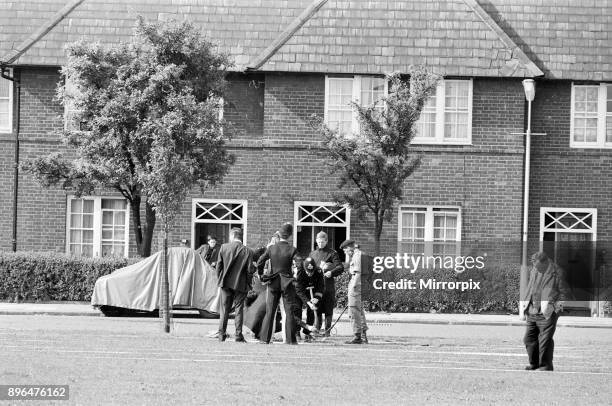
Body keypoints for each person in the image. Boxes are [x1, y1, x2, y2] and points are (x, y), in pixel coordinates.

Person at [520, 251, 567, 371]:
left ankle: (545, 365)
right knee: (529, 339)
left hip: (548, 312)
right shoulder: (535, 270)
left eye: (538, 266)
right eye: (534, 265)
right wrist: (525, 306)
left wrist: (556, 308)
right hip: (533, 310)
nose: (535, 268)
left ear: (545, 262)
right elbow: (530, 288)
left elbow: (564, 293)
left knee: (544, 340)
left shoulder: (558, 272)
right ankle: (534, 363)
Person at [256, 223, 299, 344]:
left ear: (279, 234)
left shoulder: (271, 248)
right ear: (290, 235)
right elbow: (300, 266)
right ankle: (290, 340)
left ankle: (265, 338)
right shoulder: (292, 249)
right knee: (289, 310)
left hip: (273, 281)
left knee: (270, 311)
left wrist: (262, 276)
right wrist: (295, 278)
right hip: (287, 282)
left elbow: (260, 262)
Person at [215, 228, 254, 342]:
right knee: (239, 310)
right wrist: (248, 283)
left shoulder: (224, 247)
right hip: (241, 284)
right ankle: (238, 335)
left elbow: (219, 266)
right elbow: (250, 270)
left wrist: (220, 280)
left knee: (224, 310)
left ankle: (221, 335)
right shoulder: (248, 251)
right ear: (241, 237)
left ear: (232, 236)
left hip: (226, 283)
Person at [308, 231, 343, 336]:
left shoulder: (332, 253)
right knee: (317, 309)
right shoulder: (312, 254)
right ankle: (317, 330)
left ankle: (327, 331)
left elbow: (340, 267)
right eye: (318, 242)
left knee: (328, 310)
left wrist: (331, 272)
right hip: (316, 287)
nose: (320, 244)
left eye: (322, 242)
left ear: (326, 241)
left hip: (328, 286)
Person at [340, 239, 368, 344]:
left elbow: (357, 273)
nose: (345, 253)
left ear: (349, 248)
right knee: (359, 310)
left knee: (353, 310)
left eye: (345, 250)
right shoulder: (360, 254)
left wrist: (353, 288)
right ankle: (363, 335)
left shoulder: (357, 256)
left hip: (356, 285)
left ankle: (357, 336)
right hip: (360, 285)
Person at [295, 257, 324, 342]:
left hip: (312, 291)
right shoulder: (300, 270)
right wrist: (308, 303)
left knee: (312, 311)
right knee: (297, 309)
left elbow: (321, 286)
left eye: (312, 272)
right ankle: (297, 332)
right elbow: (299, 290)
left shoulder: (318, 271)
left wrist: (317, 298)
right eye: (308, 272)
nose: (310, 274)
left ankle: (308, 333)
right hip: (299, 292)